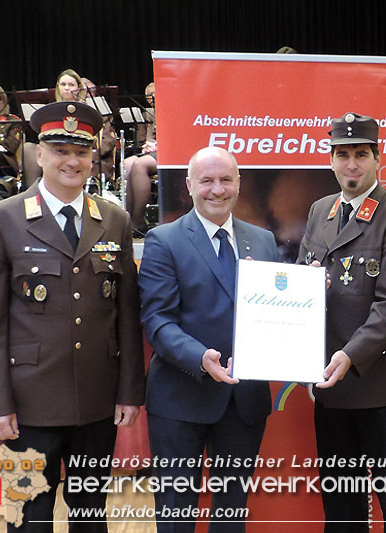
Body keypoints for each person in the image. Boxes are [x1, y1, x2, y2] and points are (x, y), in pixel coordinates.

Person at [0, 100, 145, 533]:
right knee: (30, 519)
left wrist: (129, 391)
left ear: (93, 157)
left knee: (90, 517)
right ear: (39, 154)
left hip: (98, 402)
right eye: (60, 150)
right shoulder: (1, 220)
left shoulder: (114, 220)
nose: (72, 160)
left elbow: (126, 314)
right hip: (29, 406)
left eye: (81, 152)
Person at [138, 146, 278, 533]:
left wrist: (310, 293)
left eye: (226, 180)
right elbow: (157, 320)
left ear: (239, 183)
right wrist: (200, 357)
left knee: (232, 512)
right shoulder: (163, 240)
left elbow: (278, 314)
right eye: (207, 181)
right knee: (175, 514)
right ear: (188, 186)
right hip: (180, 399)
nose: (217, 189)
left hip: (244, 401)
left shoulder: (263, 241)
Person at [297, 112, 386, 532]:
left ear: (376, 159)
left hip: (378, 387)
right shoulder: (319, 211)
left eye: (360, 154)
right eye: (342, 154)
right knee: (341, 505)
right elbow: (302, 288)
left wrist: (350, 356)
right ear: (331, 160)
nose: (351, 164)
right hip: (329, 388)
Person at [125, 82, 157, 234]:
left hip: (170, 150)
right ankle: (128, 219)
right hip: (154, 150)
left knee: (140, 165)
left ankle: (138, 219)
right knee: (127, 163)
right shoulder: (150, 113)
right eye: (149, 96)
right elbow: (149, 138)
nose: (153, 99)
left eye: (155, 95)